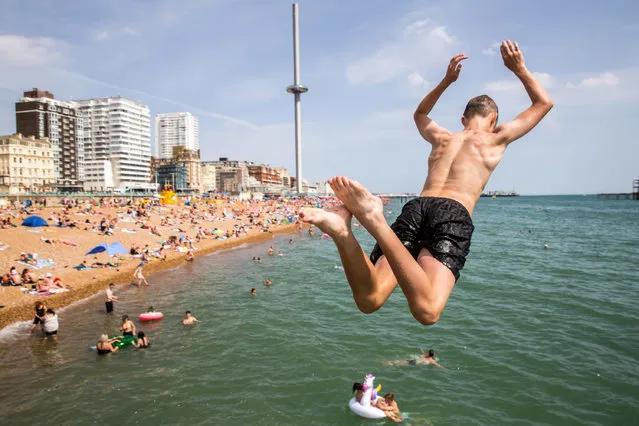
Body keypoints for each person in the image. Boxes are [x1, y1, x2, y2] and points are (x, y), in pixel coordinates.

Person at [299, 41, 553, 325]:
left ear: (462, 119)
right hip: (452, 213)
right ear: (493, 120)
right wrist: (518, 68)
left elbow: (419, 115)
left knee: (370, 299)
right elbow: (544, 103)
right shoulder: (495, 137)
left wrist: (446, 81)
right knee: (428, 311)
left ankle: (342, 232)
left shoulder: (443, 137)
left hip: (417, 206)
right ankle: (374, 220)